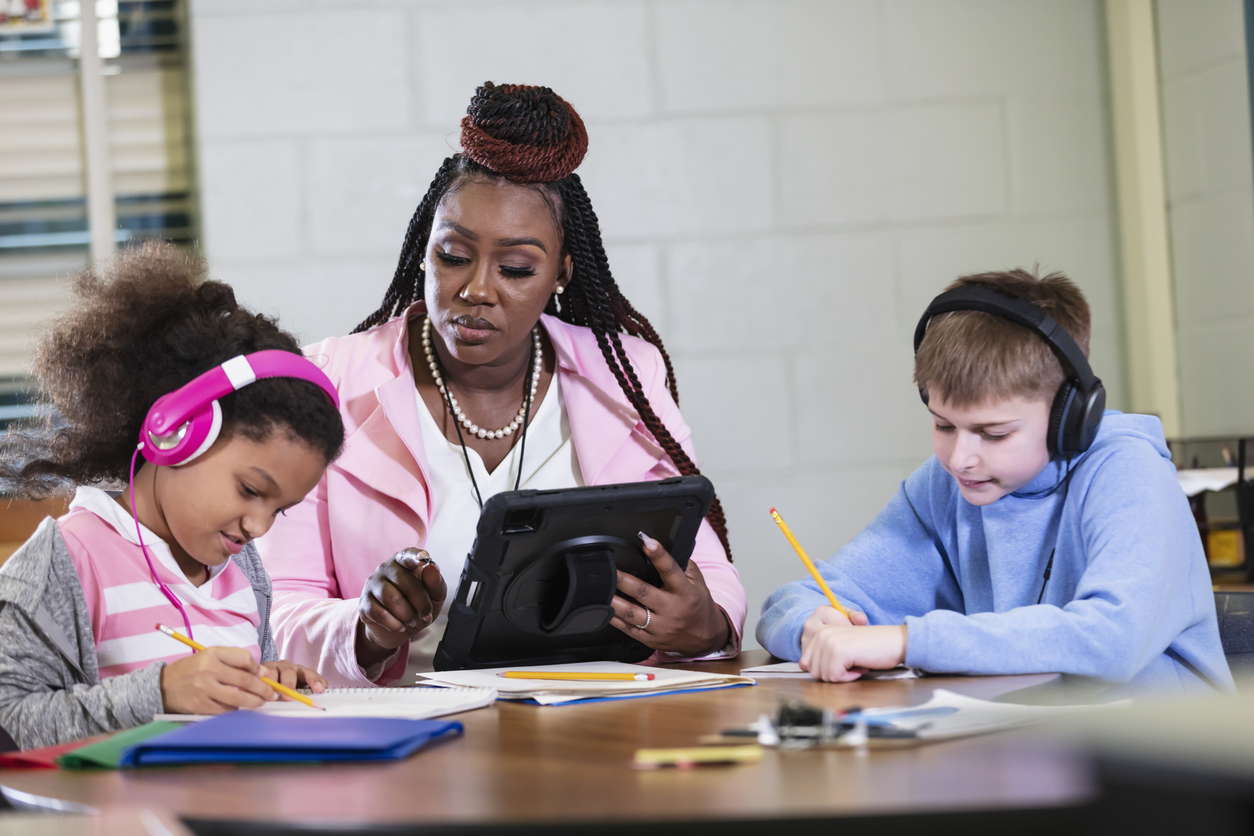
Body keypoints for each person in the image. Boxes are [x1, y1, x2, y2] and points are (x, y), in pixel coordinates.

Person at [257, 82, 745, 687]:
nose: (476, 289)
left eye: (516, 268)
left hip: (597, 720)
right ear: (423, 252)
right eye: (453, 256)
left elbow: (703, 567)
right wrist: (366, 627)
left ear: (561, 275)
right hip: (413, 737)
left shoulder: (627, 377)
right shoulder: (327, 382)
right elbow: (275, 608)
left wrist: (708, 626)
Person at [757, 268, 1233, 695]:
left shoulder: (1128, 472)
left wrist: (909, 640)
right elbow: (799, 600)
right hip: (1035, 742)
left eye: (994, 433)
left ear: (1070, 416)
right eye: (944, 426)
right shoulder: (942, 488)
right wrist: (809, 626)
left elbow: (1112, 638)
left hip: (1171, 759)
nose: (960, 459)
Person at [0, 242, 343, 750]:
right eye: (250, 490)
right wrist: (159, 692)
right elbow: (11, 723)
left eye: (279, 509)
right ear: (175, 431)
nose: (259, 527)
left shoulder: (245, 572)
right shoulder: (68, 560)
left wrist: (265, 682)